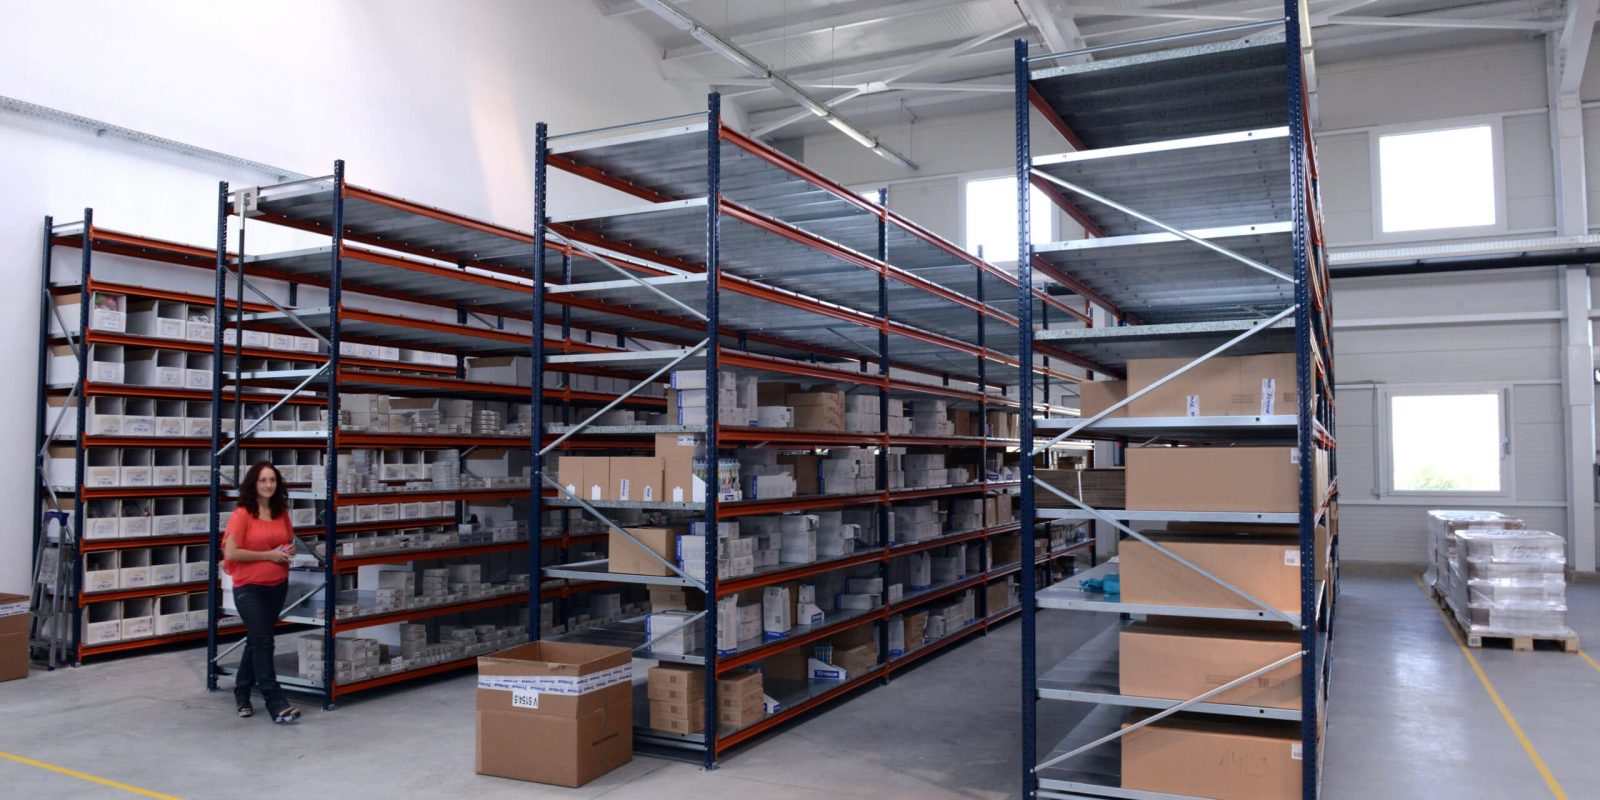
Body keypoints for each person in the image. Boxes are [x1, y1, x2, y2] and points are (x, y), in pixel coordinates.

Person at [222, 460, 301, 724]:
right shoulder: (243, 514)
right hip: (248, 587)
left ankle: (242, 693)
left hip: (277, 584)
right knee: (265, 642)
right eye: (263, 480)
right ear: (253, 484)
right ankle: (275, 702)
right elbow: (231, 552)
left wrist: (288, 552)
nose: (268, 485)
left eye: (273, 480)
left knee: (258, 639)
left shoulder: (281, 512)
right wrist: (270, 554)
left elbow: (288, 543)